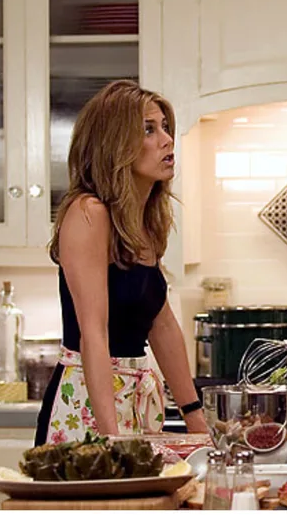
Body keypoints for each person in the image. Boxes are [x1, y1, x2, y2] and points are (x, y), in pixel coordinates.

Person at [35, 80, 208, 445]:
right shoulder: (89, 213)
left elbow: (161, 325)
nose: (167, 140)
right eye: (149, 130)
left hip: (132, 400)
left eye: (165, 127)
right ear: (114, 144)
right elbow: (93, 334)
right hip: (87, 406)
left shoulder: (144, 221)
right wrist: (112, 441)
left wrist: (197, 423)